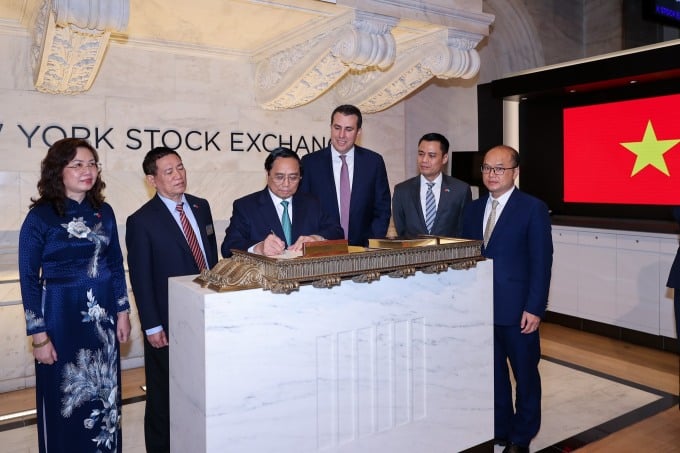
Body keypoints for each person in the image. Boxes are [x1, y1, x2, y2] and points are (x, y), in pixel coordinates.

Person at [18, 138, 131, 452]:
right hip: (60, 318)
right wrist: (38, 336)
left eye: (92, 163)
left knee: (105, 397)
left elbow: (114, 263)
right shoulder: (40, 217)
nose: (88, 171)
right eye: (78, 164)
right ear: (58, 170)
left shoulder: (103, 211)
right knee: (63, 399)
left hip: (103, 318)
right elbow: (28, 280)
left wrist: (123, 310)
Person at [126, 147, 219, 453]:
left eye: (180, 168)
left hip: (206, 314)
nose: (178, 175)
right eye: (169, 171)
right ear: (152, 180)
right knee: (164, 396)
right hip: (167, 322)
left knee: (201, 389)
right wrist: (152, 325)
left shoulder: (201, 206)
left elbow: (210, 261)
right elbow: (140, 277)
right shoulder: (141, 221)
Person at [461, 145, 553, 453]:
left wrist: (535, 307)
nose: (491, 174)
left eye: (499, 168)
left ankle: (521, 437)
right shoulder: (473, 209)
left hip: (518, 311)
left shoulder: (532, 208)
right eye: (487, 168)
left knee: (525, 376)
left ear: (515, 172)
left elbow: (542, 262)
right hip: (482, 309)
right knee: (494, 376)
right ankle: (500, 429)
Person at [222, 147, 344, 257]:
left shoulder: (312, 203)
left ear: (300, 177)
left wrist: (316, 238)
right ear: (268, 174)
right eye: (279, 177)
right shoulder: (246, 206)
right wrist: (258, 248)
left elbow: (337, 231)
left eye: (293, 177)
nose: (286, 184)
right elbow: (228, 247)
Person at [299, 104, 391, 246]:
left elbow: (382, 209)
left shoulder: (373, 162)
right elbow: (303, 209)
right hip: (321, 252)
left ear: (358, 132)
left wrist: (371, 245)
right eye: (337, 128)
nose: (341, 135)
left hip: (363, 252)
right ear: (330, 127)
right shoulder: (310, 163)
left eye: (348, 129)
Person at [392, 132, 472, 237]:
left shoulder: (460, 190)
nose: (424, 160)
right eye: (421, 154)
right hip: (413, 253)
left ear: (444, 158)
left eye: (432, 155)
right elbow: (401, 231)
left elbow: (464, 230)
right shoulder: (402, 191)